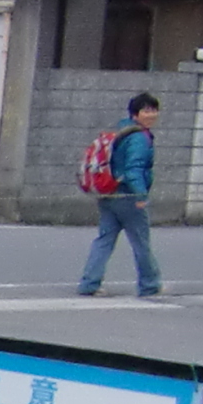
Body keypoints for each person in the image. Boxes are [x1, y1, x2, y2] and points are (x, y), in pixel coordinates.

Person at [79, 93, 164, 298]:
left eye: (154, 110)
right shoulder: (138, 138)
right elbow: (134, 169)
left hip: (108, 193)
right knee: (140, 241)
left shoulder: (120, 131)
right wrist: (141, 196)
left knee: (104, 239)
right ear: (135, 114)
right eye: (146, 110)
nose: (151, 115)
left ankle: (89, 283)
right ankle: (150, 285)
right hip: (128, 196)